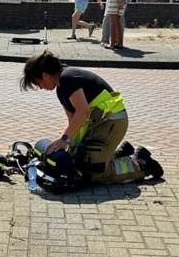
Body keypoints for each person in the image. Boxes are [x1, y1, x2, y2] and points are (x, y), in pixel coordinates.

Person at [20, 51, 161, 183]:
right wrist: (65, 146)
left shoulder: (67, 78)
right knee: (78, 161)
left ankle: (141, 163)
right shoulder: (61, 90)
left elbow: (83, 112)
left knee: (93, 174)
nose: (40, 87)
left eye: (37, 83)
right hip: (102, 123)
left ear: (45, 75)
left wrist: (64, 140)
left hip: (111, 122)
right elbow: (73, 121)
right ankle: (120, 153)